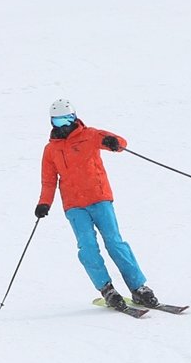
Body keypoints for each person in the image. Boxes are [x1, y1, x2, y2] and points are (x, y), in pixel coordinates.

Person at [35, 98, 159, 310]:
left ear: (74, 117)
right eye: (57, 122)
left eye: (66, 120)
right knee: (87, 248)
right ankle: (107, 289)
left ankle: (139, 288)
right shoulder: (50, 150)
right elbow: (49, 181)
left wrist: (114, 142)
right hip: (74, 206)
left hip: (99, 198)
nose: (63, 126)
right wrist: (44, 203)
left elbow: (120, 142)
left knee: (115, 242)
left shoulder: (90, 135)